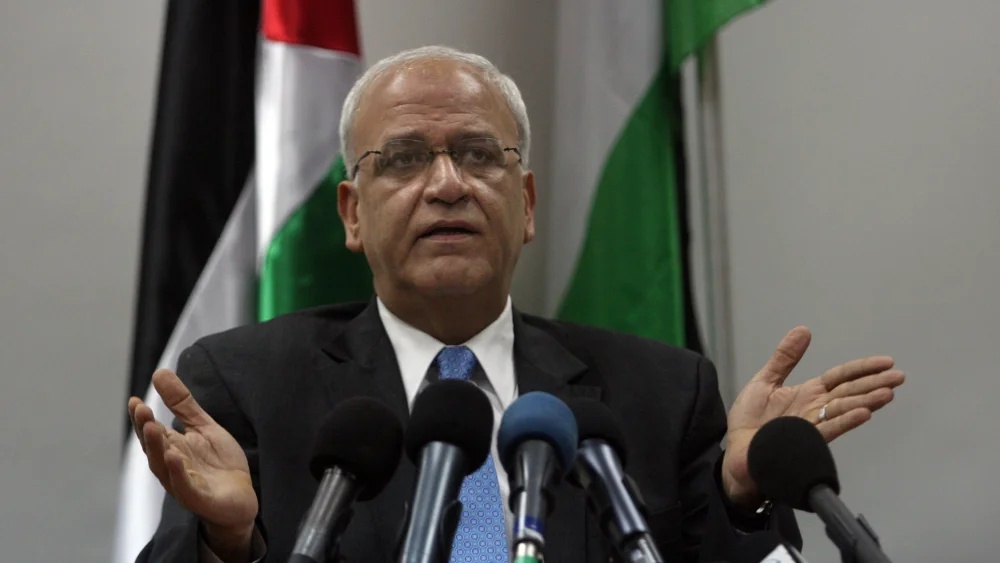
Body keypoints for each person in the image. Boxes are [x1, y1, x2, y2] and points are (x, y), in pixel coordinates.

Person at [127, 46, 905, 563]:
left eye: (476, 153)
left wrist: (741, 495)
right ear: (352, 214)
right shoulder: (248, 384)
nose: (447, 184)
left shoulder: (662, 395)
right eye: (402, 159)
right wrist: (225, 541)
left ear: (525, 203)